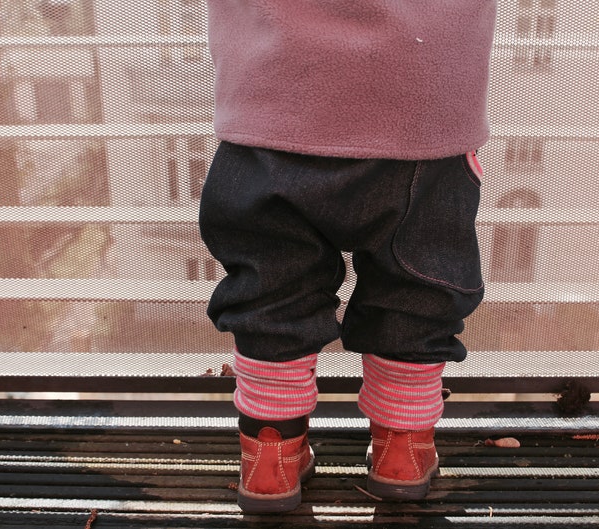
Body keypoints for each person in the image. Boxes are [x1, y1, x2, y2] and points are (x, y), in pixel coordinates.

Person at [199, 0, 497, 514]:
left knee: (270, 292)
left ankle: (271, 460)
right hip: (423, 111)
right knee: (418, 291)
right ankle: (401, 451)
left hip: (271, 103)